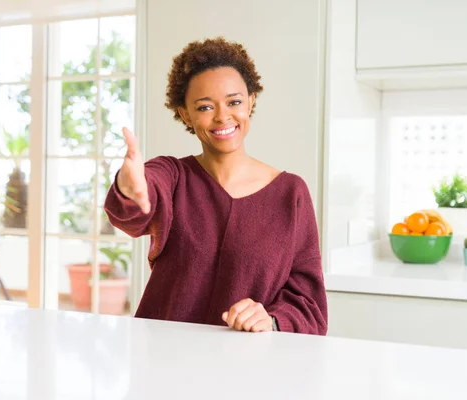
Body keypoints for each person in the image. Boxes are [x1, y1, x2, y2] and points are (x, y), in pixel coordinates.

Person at [104, 37, 327, 334]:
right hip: (162, 363)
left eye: (234, 102)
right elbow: (138, 201)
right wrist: (129, 186)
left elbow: (309, 305)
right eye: (205, 107)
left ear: (251, 101)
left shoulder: (291, 193)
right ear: (186, 114)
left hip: (248, 370)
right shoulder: (172, 176)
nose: (223, 116)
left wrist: (271, 320)